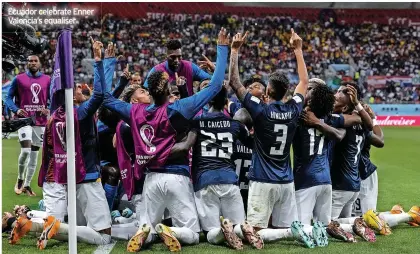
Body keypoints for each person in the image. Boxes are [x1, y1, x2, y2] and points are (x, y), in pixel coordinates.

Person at [102, 28, 229, 252]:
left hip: (151, 180)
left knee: (146, 229)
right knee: (192, 234)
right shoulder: (178, 109)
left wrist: (107, 63)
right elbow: (217, 84)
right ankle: (170, 230)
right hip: (177, 176)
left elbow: (104, 98)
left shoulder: (136, 112)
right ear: (168, 89)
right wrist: (222, 48)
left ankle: (147, 231)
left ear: (149, 91)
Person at [34, 38, 112, 249]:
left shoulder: (53, 115)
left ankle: (27, 222)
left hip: (63, 176)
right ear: (73, 97)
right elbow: (101, 94)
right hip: (86, 177)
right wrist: (99, 61)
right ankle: (56, 226)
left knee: (75, 223)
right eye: (77, 87)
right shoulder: (82, 114)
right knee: (104, 235)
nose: (79, 87)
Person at [183, 87, 262, 250]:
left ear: (207, 100)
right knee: (240, 226)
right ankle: (239, 228)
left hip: (205, 180)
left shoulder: (197, 122)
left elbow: (186, 146)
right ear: (226, 102)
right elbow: (255, 144)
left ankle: (222, 230)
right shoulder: (235, 125)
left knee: (210, 233)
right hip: (230, 180)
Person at [293, 79, 346, 226]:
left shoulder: (299, 117)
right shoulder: (330, 119)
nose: (306, 91)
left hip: (305, 179)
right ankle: (355, 223)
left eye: (309, 89)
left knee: (301, 227)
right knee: (324, 226)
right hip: (325, 179)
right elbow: (341, 133)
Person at [5, 55, 51, 196]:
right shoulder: (19, 79)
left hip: (40, 122)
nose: (32, 63)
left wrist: (48, 108)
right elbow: (8, 98)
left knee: (34, 155)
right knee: (25, 151)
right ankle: (20, 178)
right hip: (24, 120)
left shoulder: (47, 80)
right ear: (27, 63)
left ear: (40, 63)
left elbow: (52, 98)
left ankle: (27, 185)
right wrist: (16, 109)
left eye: (35, 61)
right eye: (30, 60)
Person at [330, 82, 373, 221]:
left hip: (340, 183)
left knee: (327, 225)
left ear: (346, 106)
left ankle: (372, 222)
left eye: (341, 92)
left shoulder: (342, 121)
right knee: (346, 224)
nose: (336, 94)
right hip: (353, 184)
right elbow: (370, 125)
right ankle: (365, 222)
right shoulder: (361, 122)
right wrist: (359, 107)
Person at [143, 39, 211, 96]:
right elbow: (145, 93)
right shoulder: (156, 70)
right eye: (173, 57)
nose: (177, 60)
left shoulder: (190, 67)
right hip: (167, 110)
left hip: (188, 109)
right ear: (166, 57)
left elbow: (211, 81)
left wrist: (214, 69)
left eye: (179, 56)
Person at [352, 104, 384, 216]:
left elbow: (380, 141)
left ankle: (407, 216)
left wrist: (373, 118)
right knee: (352, 217)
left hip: (364, 173)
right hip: (348, 176)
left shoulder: (361, 125)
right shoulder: (340, 119)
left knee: (367, 217)